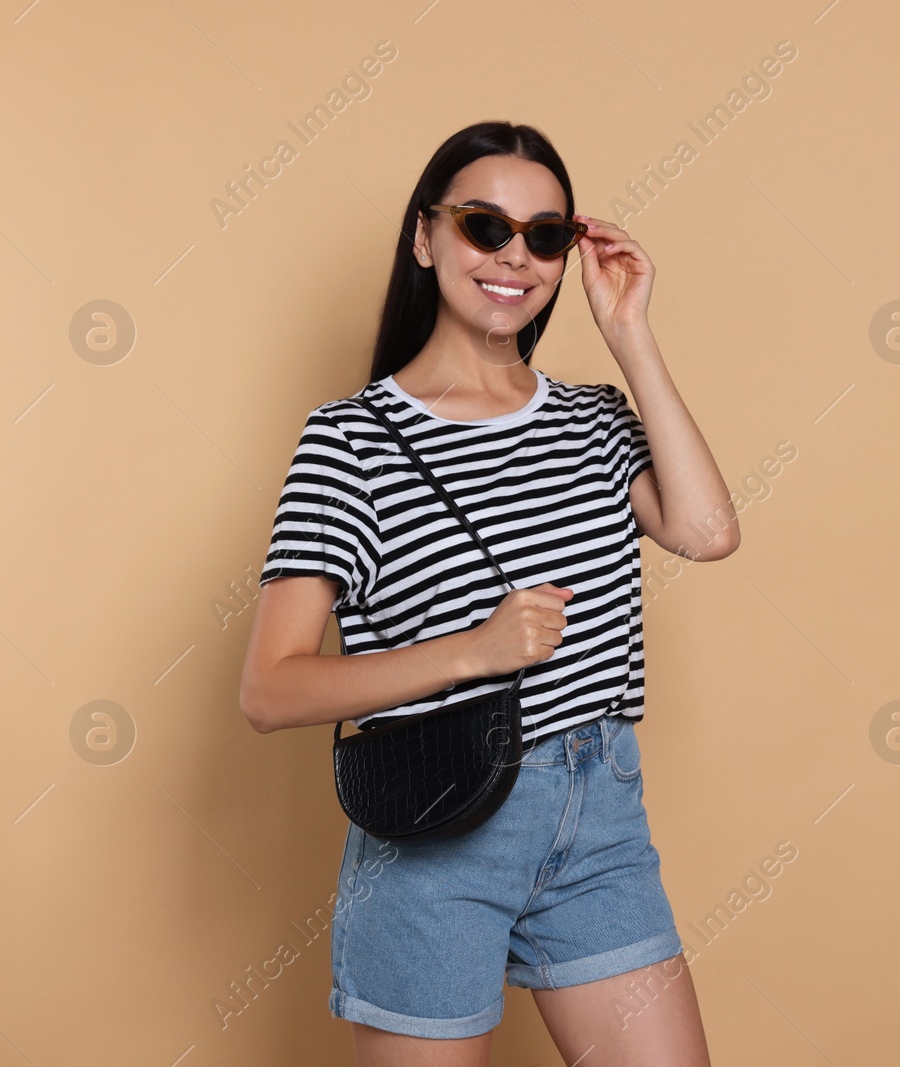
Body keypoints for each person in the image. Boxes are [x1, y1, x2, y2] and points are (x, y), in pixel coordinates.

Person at [238, 121, 738, 1066]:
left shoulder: (593, 420)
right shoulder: (353, 442)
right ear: (426, 239)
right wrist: (475, 651)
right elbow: (270, 689)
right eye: (484, 226)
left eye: (545, 236)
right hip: (436, 836)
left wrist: (629, 334)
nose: (516, 256)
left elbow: (708, 532)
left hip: (599, 818)